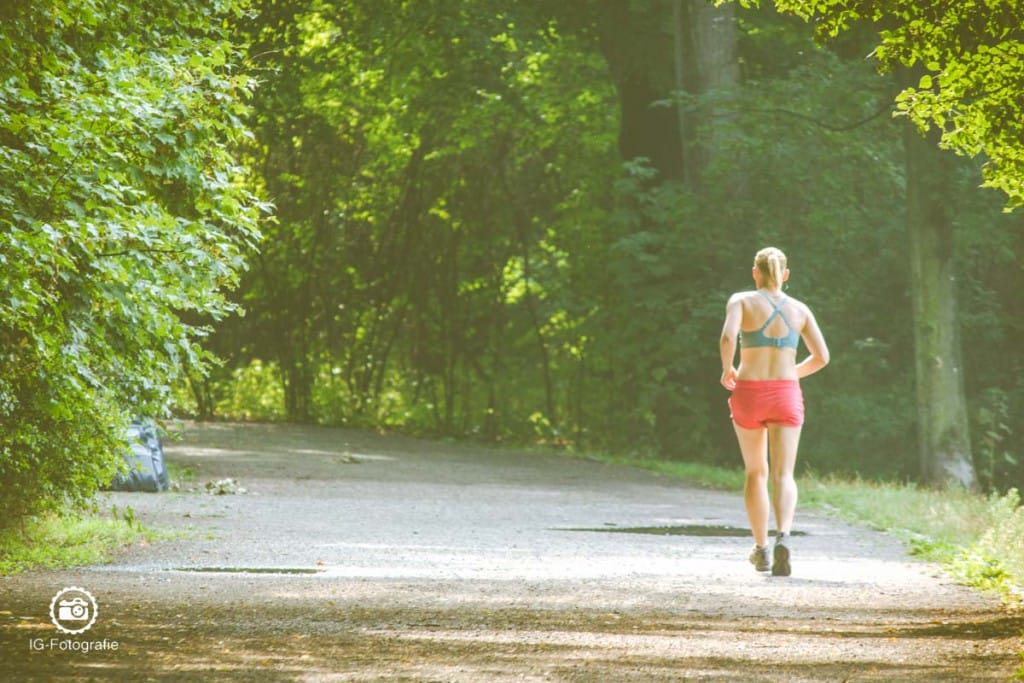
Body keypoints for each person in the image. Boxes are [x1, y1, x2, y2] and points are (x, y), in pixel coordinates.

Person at [719, 247, 829, 576]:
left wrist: (728, 369)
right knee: (784, 474)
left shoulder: (740, 301)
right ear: (785, 274)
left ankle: (761, 549)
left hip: (749, 391)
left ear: (755, 272)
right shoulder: (800, 310)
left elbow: (727, 336)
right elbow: (822, 357)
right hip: (785, 394)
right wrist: (787, 375)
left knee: (756, 472)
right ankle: (783, 537)